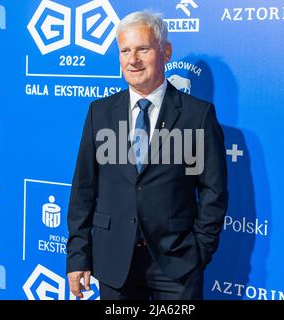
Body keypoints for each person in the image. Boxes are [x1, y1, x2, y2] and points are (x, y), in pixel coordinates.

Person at [66, 10, 228, 300]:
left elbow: (213, 191)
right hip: (114, 263)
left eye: (142, 48)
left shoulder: (196, 115)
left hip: (177, 265)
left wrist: (199, 251)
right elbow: (83, 189)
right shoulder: (100, 112)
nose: (133, 60)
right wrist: (78, 256)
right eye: (125, 50)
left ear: (166, 52)